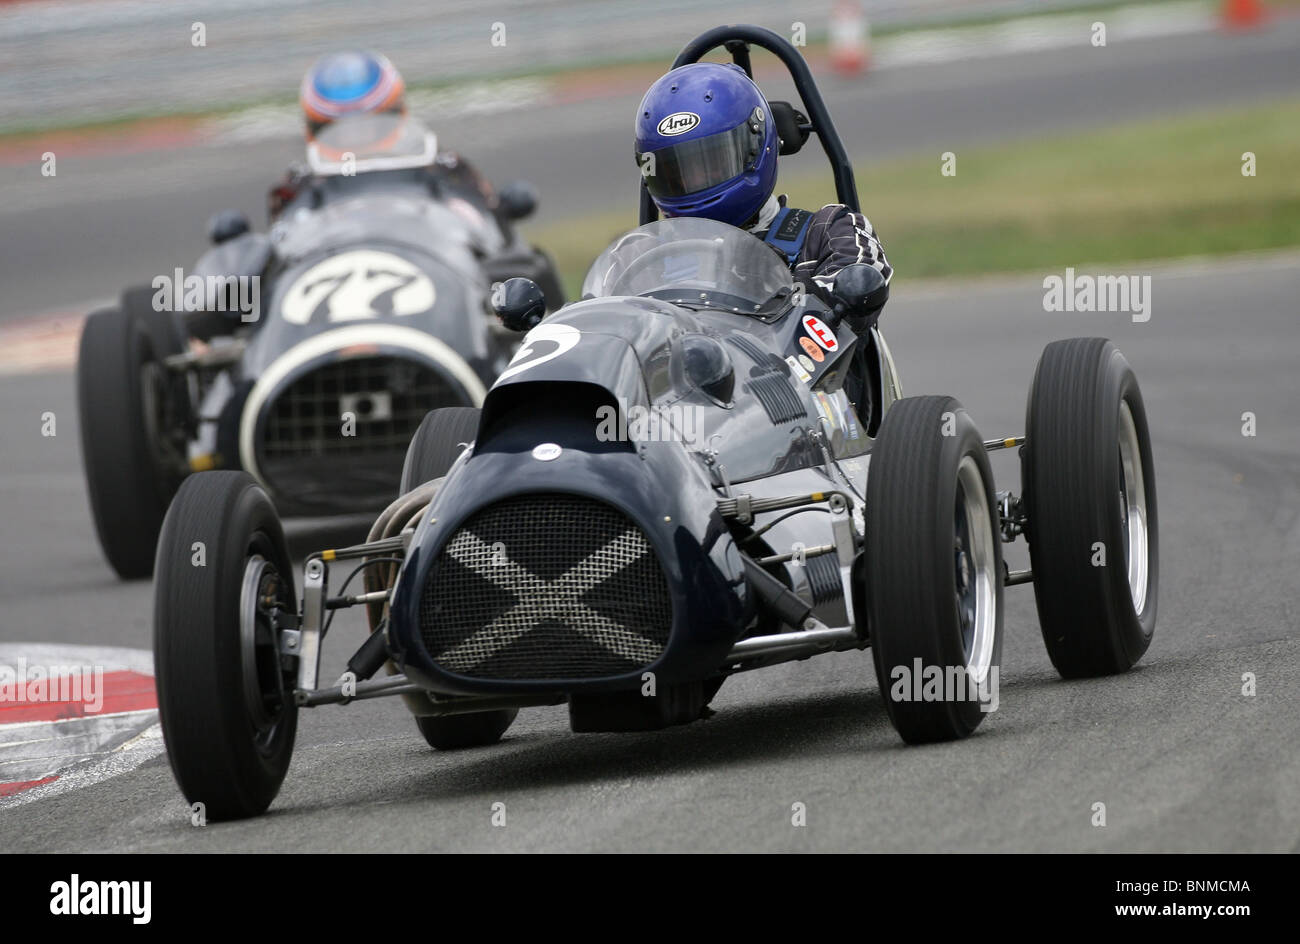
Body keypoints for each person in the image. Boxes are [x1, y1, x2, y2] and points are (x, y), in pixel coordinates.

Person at [634, 61, 892, 421]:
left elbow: (864, 278)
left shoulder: (829, 230)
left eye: (711, 163)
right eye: (680, 171)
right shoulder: (645, 261)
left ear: (755, 148)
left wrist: (783, 294)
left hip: (812, 425)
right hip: (690, 433)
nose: (696, 181)